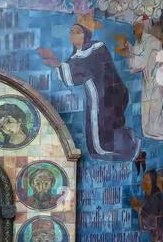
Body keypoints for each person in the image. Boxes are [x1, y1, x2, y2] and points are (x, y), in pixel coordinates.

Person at [57, 19, 139, 160]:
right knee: (97, 127)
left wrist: (60, 65)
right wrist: (58, 65)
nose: (73, 35)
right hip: (95, 100)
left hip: (111, 94)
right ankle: (106, 150)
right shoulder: (73, 59)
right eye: (71, 32)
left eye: (77, 31)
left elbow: (91, 66)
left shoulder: (97, 47)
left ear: (86, 35)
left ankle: (129, 146)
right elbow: (71, 78)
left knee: (111, 124)